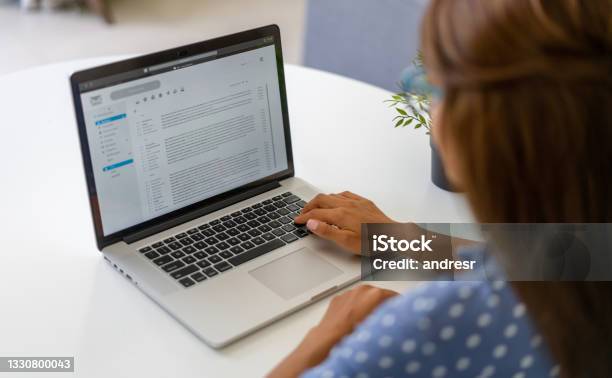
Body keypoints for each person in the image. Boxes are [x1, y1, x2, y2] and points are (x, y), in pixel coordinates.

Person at [268, 0, 612, 377]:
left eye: (434, 84)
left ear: (473, 129)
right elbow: (561, 257)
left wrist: (324, 335)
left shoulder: (433, 326)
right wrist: (397, 238)